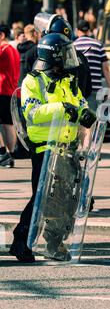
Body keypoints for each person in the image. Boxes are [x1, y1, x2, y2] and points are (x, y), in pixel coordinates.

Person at [9, 32, 96, 263]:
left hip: (67, 148)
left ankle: (54, 242)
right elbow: (32, 113)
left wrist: (85, 112)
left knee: (66, 198)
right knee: (42, 198)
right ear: (54, 57)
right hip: (44, 150)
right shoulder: (33, 81)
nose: (71, 58)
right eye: (66, 54)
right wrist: (61, 108)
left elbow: (80, 103)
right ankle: (21, 241)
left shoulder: (69, 81)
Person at [74, 19, 110, 110]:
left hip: (78, 91)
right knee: (94, 120)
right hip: (95, 90)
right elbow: (106, 69)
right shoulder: (98, 45)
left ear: (77, 31)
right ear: (89, 30)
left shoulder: (73, 46)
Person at [0, 24, 20, 168]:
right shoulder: (14, 50)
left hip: (1, 89)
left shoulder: (2, 49)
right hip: (12, 90)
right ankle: (10, 154)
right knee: (9, 124)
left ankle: (2, 152)